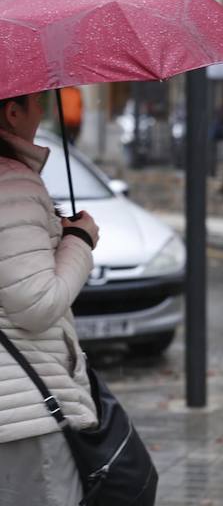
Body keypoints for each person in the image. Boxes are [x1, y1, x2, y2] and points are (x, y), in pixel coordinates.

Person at [0, 93, 101, 505]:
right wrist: (79, 241)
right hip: (23, 414)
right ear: (12, 111)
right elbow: (37, 304)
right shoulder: (11, 182)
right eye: (37, 102)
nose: (43, 111)